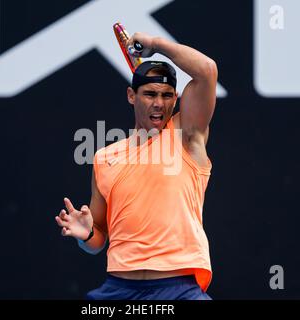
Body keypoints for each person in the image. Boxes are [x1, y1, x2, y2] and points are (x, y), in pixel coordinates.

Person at [55, 32, 218, 300]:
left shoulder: (187, 137)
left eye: (167, 95)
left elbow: (207, 71)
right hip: (118, 289)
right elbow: (97, 241)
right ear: (131, 95)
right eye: (150, 94)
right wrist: (85, 235)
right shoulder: (105, 158)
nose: (158, 103)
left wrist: (156, 45)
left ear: (176, 99)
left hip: (179, 290)